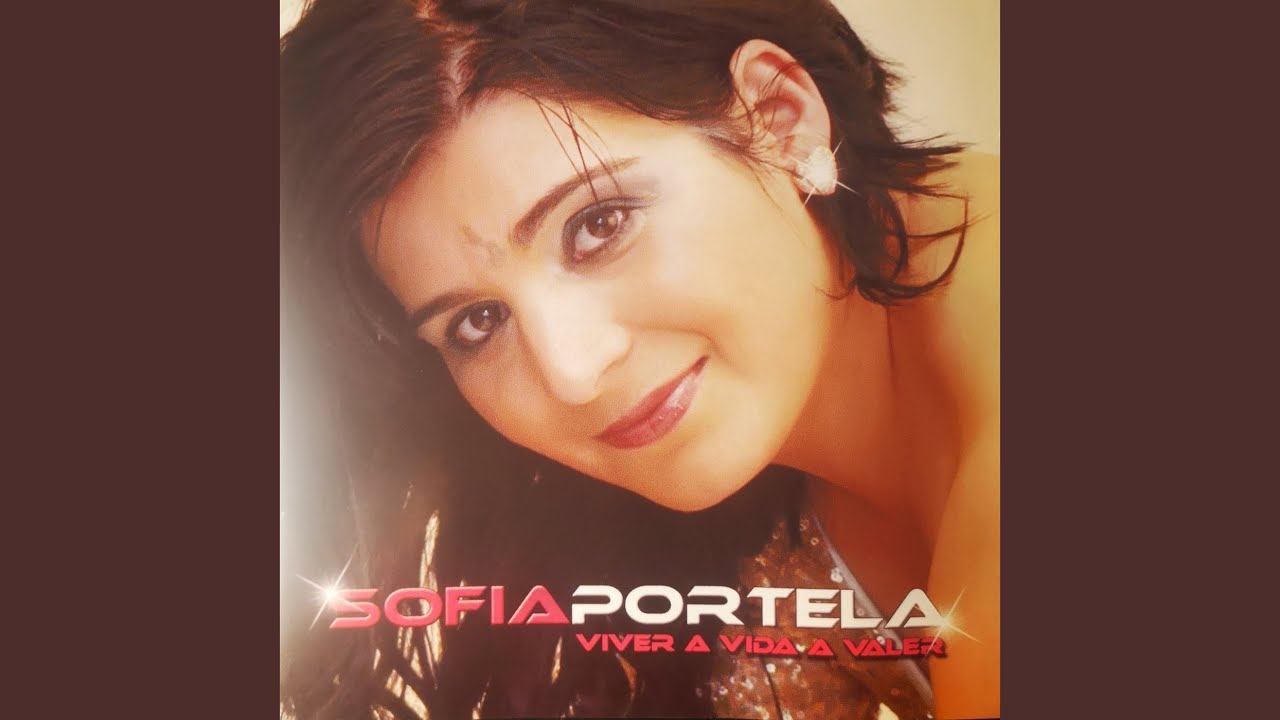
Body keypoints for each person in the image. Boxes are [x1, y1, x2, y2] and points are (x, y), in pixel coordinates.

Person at [279, 1, 999, 718]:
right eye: (478, 322)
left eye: (598, 225)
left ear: (779, 117)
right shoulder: (751, 485)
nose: (571, 373)